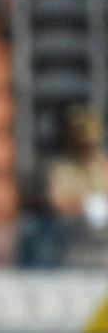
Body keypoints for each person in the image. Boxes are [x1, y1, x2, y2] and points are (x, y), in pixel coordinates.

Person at [45, 107, 108, 269]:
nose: (88, 146)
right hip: (74, 248)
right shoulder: (62, 168)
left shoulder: (103, 165)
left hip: (103, 248)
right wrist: (85, 206)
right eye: (83, 142)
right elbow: (56, 202)